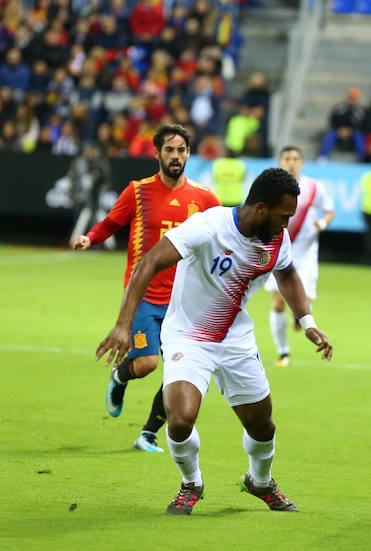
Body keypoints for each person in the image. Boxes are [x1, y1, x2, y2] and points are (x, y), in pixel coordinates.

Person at [95, 168, 334, 515]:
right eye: (284, 216)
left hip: (236, 341)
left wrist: (307, 322)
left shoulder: (276, 238)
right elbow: (148, 263)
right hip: (188, 337)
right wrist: (122, 324)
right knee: (180, 418)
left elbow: (287, 274)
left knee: (262, 425)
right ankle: (191, 484)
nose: (287, 224)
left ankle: (260, 481)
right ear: (261, 208)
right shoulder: (207, 227)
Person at [73, 124, 220, 453]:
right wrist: (90, 237)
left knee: (181, 373)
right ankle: (120, 377)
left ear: (188, 153)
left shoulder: (205, 198)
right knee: (147, 364)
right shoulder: (138, 191)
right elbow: (111, 223)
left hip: (184, 301)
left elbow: (221, 237)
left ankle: (148, 434)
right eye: (169, 150)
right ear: (157, 153)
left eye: (181, 150)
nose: (175, 156)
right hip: (143, 297)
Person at [264, 146, 335, 366]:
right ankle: (283, 353)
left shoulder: (313, 187)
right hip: (278, 251)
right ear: (280, 162)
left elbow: (329, 210)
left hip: (306, 253)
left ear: (301, 163)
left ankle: (298, 316)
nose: (291, 163)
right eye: (287, 158)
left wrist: (322, 223)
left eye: (295, 159)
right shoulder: (270, 187)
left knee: (305, 302)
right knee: (277, 303)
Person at [68, 142, 112, 248]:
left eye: (90, 151)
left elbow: (105, 179)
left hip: (97, 195)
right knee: (86, 215)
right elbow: (73, 177)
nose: (88, 153)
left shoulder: (99, 163)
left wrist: (95, 182)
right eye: (87, 151)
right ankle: (76, 241)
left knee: (99, 215)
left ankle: (109, 244)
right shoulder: (80, 162)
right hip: (83, 195)